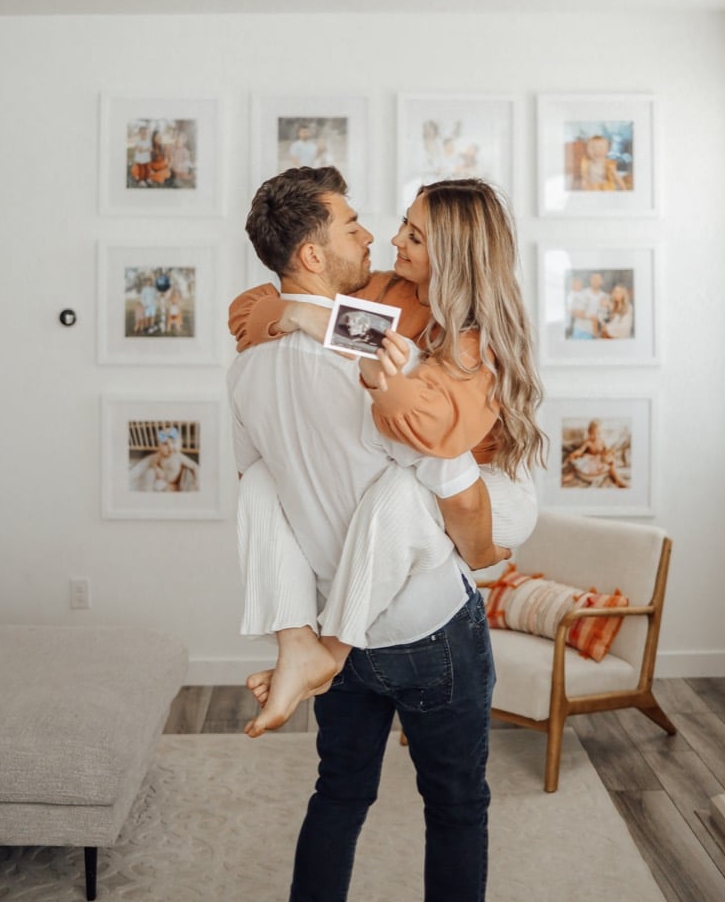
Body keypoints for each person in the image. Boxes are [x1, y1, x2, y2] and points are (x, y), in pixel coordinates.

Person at [228, 165, 510, 902]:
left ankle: (306, 647)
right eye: (353, 226)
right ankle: (312, 649)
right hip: (428, 627)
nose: (374, 236)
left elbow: (265, 492)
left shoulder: (246, 373)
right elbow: (455, 494)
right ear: (315, 254)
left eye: (404, 232)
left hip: (335, 619)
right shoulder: (390, 362)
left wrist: (292, 315)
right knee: (456, 807)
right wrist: (483, 556)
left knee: (339, 795)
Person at [230, 174, 544, 735]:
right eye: (403, 223)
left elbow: (436, 432)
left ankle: (330, 649)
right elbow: (254, 308)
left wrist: (379, 374)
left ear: (451, 255)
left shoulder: (474, 342)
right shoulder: (386, 291)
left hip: (496, 490)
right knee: (259, 482)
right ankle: (298, 640)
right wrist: (306, 316)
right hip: (439, 474)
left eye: (415, 236)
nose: (392, 238)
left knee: (400, 490)